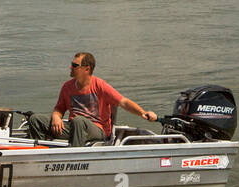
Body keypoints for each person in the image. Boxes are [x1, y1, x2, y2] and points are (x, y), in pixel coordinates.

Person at [26, 52, 157, 146]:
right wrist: (56, 116)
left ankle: (75, 159)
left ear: (86, 69)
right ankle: (38, 155)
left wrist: (142, 113)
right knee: (35, 119)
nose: (70, 67)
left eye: (74, 65)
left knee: (78, 121)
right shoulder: (67, 87)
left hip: (97, 130)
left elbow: (123, 102)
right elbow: (59, 108)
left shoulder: (99, 85)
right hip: (74, 127)